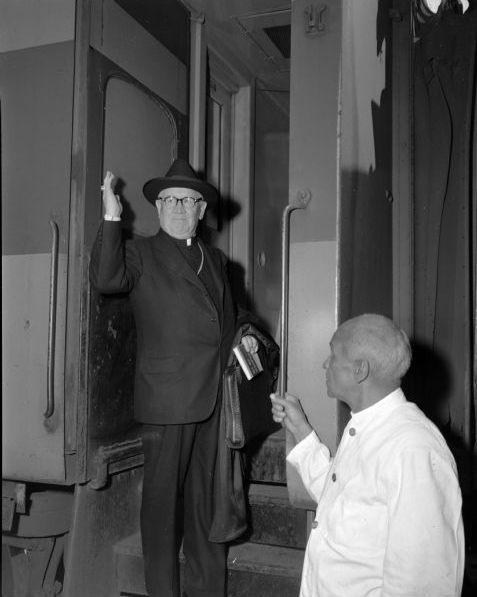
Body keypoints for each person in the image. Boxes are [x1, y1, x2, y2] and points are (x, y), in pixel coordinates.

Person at [89, 159, 257, 597]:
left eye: (188, 200)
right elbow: (107, 279)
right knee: (161, 509)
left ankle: (207, 590)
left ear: (202, 210)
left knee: (208, 505)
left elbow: (228, 318)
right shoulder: (141, 252)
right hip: (167, 400)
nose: (178, 207)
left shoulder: (217, 259)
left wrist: (249, 335)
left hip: (214, 400)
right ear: (158, 208)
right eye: (169, 200)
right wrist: (111, 216)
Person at [271, 313, 464, 597]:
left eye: (333, 355)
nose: (326, 363)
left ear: (360, 370)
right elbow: (338, 499)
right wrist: (301, 429)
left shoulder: (413, 449)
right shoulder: (369, 426)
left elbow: (424, 582)